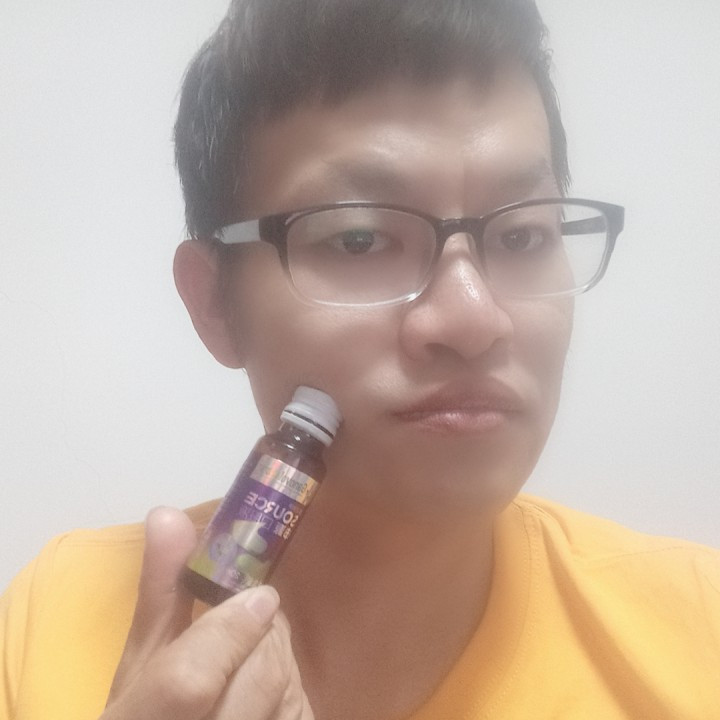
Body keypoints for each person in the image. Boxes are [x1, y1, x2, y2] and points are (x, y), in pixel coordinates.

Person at [1, 0, 718, 718]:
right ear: (215, 303)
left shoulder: (697, 632)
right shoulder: (54, 619)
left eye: (524, 236)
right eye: (358, 240)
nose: (473, 320)